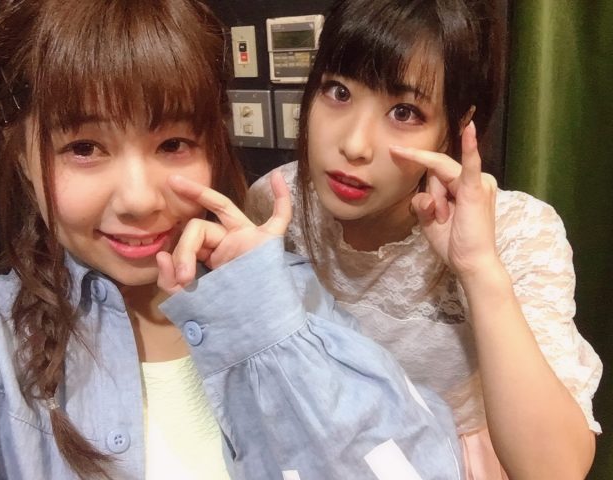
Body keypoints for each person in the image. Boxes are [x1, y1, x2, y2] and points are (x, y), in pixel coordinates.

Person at [0, 0, 465, 479]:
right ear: (22, 158)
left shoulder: (288, 297)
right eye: (84, 148)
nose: (139, 200)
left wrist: (266, 326)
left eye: (173, 144)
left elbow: (419, 465)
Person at [246, 0, 603, 478]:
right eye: (338, 91)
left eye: (405, 111)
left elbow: (556, 470)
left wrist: (478, 269)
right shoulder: (275, 203)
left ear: (455, 126)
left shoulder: (519, 231)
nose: (354, 144)